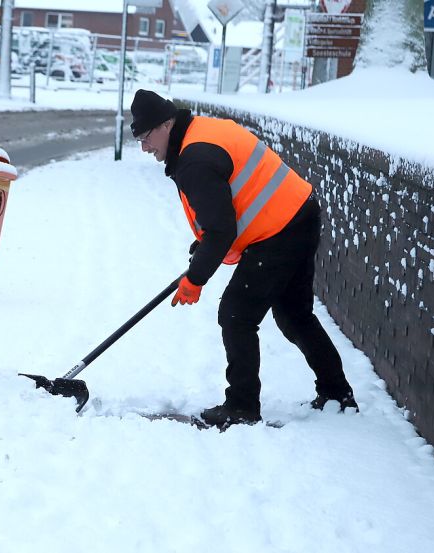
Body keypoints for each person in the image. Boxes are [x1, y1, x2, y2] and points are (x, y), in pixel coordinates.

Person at [129, 89, 357, 430]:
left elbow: (221, 230)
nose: (145, 147)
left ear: (166, 124)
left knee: (236, 314)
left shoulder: (194, 158)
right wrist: (205, 250)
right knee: (295, 316)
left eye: (147, 137)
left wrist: (196, 279)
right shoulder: (199, 133)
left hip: (279, 230)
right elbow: (224, 212)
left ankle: (242, 406)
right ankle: (337, 394)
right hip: (296, 215)